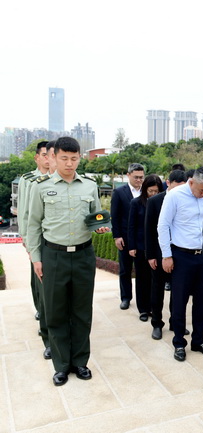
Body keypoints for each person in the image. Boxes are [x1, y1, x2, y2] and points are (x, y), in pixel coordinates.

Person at [26, 137, 110, 386]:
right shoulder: (41, 187)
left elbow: (96, 217)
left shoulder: (89, 186)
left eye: (74, 159)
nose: (69, 163)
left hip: (83, 255)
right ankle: (61, 365)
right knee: (56, 312)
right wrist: (36, 258)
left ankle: (80, 362)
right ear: (53, 157)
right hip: (53, 255)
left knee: (82, 311)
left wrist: (100, 227)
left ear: (79, 158)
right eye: (64, 158)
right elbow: (33, 225)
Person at [158, 166, 203, 362]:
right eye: (201, 190)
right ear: (191, 182)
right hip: (181, 255)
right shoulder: (175, 196)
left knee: (202, 301)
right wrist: (166, 255)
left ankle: (198, 340)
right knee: (179, 301)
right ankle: (178, 342)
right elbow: (163, 225)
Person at [144, 170, 187, 340]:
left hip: (179, 253)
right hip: (158, 253)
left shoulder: (186, 199)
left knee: (178, 291)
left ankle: (175, 322)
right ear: (168, 183)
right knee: (157, 289)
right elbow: (149, 229)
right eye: (177, 187)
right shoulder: (155, 201)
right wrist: (150, 255)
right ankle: (157, 323)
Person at [18, 140, 50, 358]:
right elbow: (24, 211)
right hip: (37, 237)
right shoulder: (29, 180)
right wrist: (27, 239)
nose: (48, 159)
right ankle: (41, 310)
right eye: (45, 155)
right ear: (37, 157)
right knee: (38, 280)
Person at [127, 174, 163, 321]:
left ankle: (154, 308)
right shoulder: (136, 203)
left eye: (156, 191)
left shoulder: (163, 202)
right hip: (141, 246)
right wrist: (132, 246)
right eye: (150, 191)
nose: (153, 194)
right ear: (145, 190)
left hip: (156, 246)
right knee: (142, 279)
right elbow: (131, 226)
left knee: (155, 281)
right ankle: (143, 309)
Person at [111, 163, 145, 310]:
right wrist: (117, 236)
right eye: (136, 177)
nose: (139, 180)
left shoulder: (146, 191)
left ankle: (143, 301)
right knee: (125, 269)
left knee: (142, 271)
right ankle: (125, 297)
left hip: (141, 238)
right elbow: (115, 216)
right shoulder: (119, 192)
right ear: (128, 175)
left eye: (141, 177)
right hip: (125, 237)